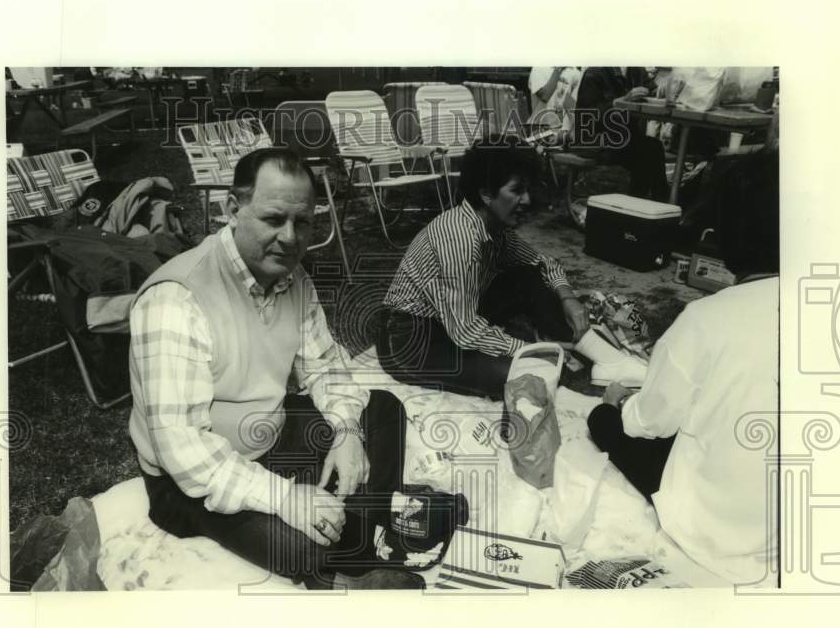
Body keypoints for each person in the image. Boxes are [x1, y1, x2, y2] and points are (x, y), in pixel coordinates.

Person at [128, 148, 411, 590]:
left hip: (268, 434)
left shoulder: (293, 278)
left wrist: (347, 434)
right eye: (273, 219)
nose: (290, 237)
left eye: (303, 222)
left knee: (381, 410)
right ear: (232, 210)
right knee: (302, 547)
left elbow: (325, 369)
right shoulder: (176, 297)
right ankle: (349, 548)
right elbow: (182, 449)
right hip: (187, 480)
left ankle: (354, 548)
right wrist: (285, 498)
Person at [587, 152, 780, 585]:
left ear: (723, 234)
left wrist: (618, 405)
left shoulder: (706, 320)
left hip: (714, 527)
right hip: (791, 517)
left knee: (605, 422)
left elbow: (647, 423)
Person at [377, 137, 648, 400]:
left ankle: (598, 354)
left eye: (527, 190)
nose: (527, 200)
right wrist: (531, 350)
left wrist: (569, 298)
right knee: (527, 377)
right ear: (485, 193)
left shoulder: (493, 227)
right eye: (517, 191)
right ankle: (564, 350)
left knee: (527, 276)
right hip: (409, 339)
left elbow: (543, 263)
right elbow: (466, 331)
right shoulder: (459, 238)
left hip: (451, 319)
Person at [573, 66, 670, 202]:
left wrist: (664, 89)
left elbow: (652, 90)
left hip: (623, 139)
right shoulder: (595, 72)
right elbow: (587, 117)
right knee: (650, 150)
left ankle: (643, 206)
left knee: (651, 148)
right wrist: (623, 100)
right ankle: (650, 205)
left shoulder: (636, 70)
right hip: (594, 140)